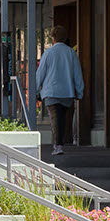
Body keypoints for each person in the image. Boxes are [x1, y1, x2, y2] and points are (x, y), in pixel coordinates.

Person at [34, 26, 84, 157]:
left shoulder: (48, 53)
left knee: (55, 118)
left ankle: (58, 145)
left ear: (53, 37)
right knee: (62, 118)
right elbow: (77, 74)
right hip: (67, 91)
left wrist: (35, 89)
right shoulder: (71, 53)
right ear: (65, 37)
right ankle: (59, 142)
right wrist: (79, 91)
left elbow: (40, 73)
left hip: (51, 91)